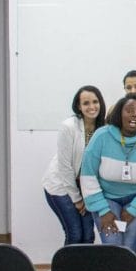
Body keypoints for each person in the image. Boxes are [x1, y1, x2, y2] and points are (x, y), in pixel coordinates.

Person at [80, 93, 136, 252]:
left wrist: (134, 208)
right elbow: (88, 176)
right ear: (119, 113)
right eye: (129, 110)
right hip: (106, 199)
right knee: (113, 247)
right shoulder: (101, 136)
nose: (134, 114)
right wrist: (103, 210)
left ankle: (129, 270)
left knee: (128, 249)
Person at [42, 85, 106, 245]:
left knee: (88, 236)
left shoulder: (103, 128)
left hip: (85, 188)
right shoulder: (69, 126)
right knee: (75, 234)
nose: (92, 107)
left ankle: (85, 263)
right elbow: (65, 167)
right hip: (60, 186)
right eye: (86, 103)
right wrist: (77, 199)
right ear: (78, 106)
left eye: (95, 102)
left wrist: (87, 195)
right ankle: (66, 263)